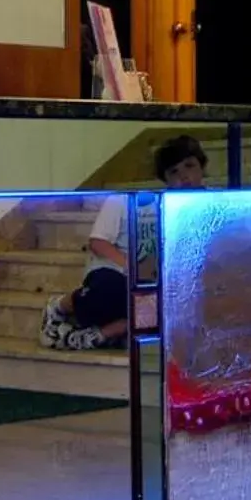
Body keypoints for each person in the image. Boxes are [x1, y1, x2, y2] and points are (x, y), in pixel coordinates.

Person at [40, 134, 207, 351]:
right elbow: (98, 242)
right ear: (165, 179)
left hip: (166, 282)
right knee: (114, 293)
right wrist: (133, 268)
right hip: (115, 272)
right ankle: (59, 307)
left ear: (202, 167)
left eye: (190, 166)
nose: (184, 176)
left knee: (170, 300)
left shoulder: (211, 206)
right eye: (174, 172)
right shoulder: (126, 199)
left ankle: (100, 335)